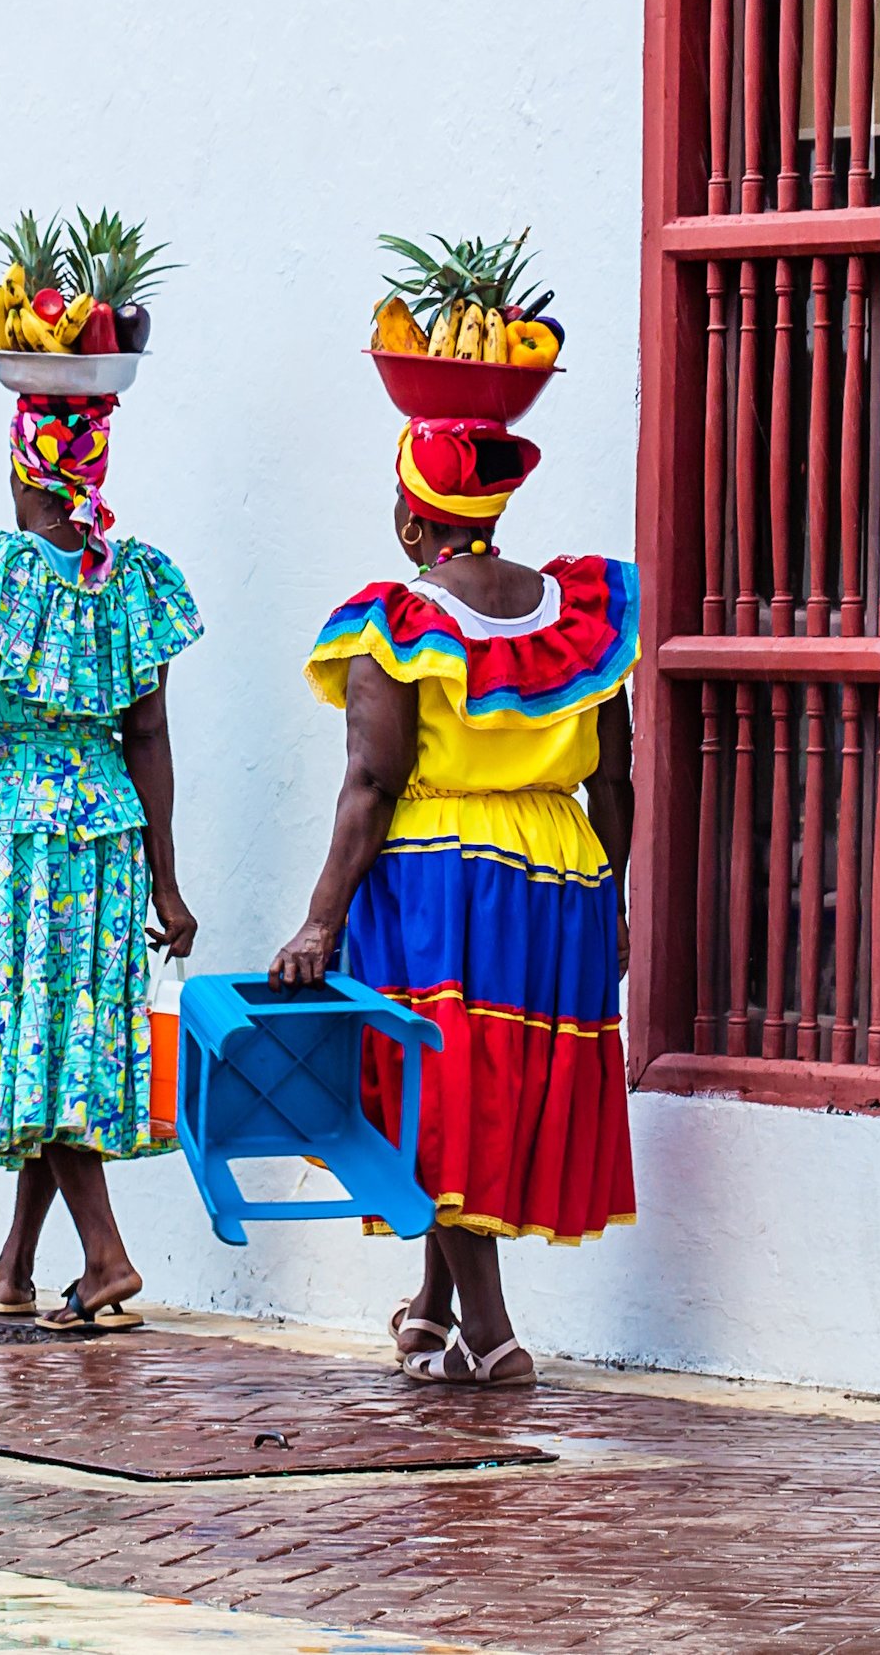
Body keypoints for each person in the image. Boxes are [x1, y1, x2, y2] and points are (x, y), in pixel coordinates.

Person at [272, 414, 638, 1388]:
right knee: (492, 1086)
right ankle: (434, 1308)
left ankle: (491, 1329)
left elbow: (372, 780)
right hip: (563, 869)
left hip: (440, 871)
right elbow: (618, 778)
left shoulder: (393, 620)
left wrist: (321, 918)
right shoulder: (582, 611)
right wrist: (617, 899)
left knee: (439, 1096)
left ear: (410, 520)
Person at [0, 392, 202, 1333]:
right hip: (106, 829)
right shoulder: (133, 579)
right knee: (64, 1037)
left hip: (18, 830)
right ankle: (18, 1265)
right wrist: (169, 882)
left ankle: (105, 1258)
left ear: (24, 465)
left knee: (37, 1037)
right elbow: (148, 734)